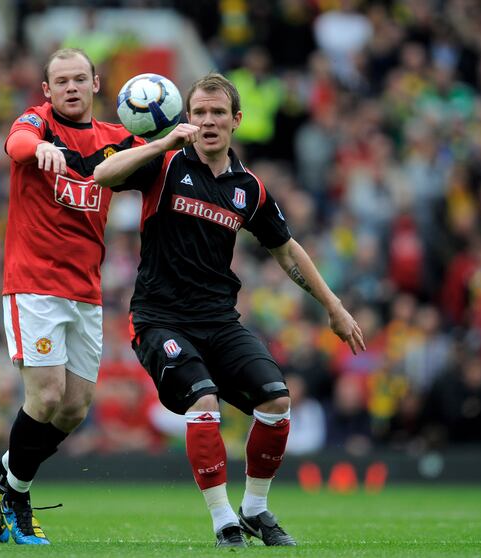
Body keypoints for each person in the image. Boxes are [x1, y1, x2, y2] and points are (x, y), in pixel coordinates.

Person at [94, 73, 366, 548]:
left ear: (236, 120)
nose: (208, 121)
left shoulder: (249, 189)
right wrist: (159, 145)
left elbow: (286, 250)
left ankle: (255, 509)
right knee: (203, 402)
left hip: (219, 322)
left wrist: (334, 307)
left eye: (218, 112)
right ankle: (224, 521)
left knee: (277, 401)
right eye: (198, 112)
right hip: (160, 320)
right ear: (187, 119)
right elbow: (104, 175)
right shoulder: (165, 165)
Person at [0, 48, 145, 545]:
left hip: (85, 290)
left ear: (96, 83)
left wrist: (173, 139)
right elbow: (17, 144)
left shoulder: (115, 140)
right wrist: (39, 147)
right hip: (34, 285)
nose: (70, 88)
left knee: (74, 408)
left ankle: (0, 479)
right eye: (60, 81)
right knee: (44, 395)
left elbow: (154, 162)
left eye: (78, 79)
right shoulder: (37, 122)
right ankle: (16, 499)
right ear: (47, 90)